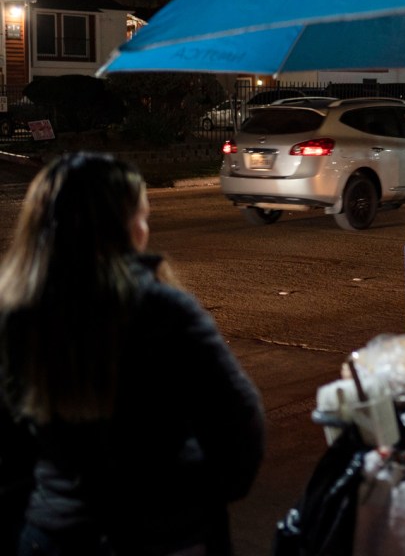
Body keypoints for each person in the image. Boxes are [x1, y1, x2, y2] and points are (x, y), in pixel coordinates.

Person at [0, 152, 266, 556]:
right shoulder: (164, 311)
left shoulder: (16, 317)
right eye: (142, 217)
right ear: (123, 227)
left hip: (53, 536)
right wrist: (192, 497)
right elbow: (238, 431)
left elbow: (10, 453)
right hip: (164, 535)